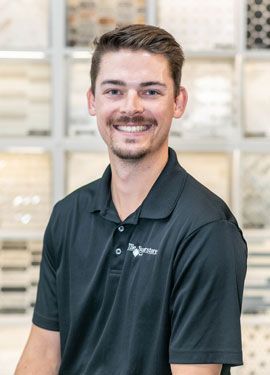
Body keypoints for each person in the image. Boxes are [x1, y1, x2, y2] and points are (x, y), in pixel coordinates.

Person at [15, 24, 247, 375]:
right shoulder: (68, 215)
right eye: (114, 91)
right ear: (93, 101)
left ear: (178, 101)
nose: (131, 107)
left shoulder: (206, 230)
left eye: (151, 91)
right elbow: (43, 356)